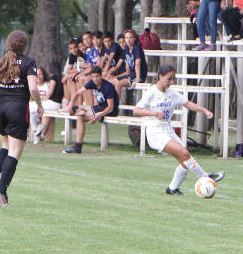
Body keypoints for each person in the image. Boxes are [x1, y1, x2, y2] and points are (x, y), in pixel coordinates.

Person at [132, 64, 225, 195]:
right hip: (155, 132)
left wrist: (204, 110)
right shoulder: (151, 92)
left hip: (167, 130)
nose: (171, 82)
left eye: (173, 79)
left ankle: (172, 188)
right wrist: (154, 113)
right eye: (169, 79)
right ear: (160, 76)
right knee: (185, 154)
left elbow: (187, 103)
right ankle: (206, 177)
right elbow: (136, 111)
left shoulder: (172, 93)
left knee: (185, 161)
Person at [0, 30, 42, 207]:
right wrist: (40, 105)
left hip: (1, 108)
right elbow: (34, 89)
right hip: (17, 109)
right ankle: (2, 190)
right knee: (15, 152)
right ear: (24, 45)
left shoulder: (1, 61)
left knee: (5, 146)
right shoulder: (29, 63)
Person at [62, 65, 119, 154]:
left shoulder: (108, 87)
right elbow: (77, 93)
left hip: (109, 111)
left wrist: (97, 116)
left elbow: (110, 107)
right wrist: (70, 104)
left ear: (101, 76)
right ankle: (77, 146)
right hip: (100, 107)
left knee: (80, 115)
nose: (95, 79)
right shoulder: (92, 83)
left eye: (97, 76)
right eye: (93, 77)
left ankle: (78, 147)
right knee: (76, 108)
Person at [33, 64, 63, 143]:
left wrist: (42, 102)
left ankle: (36, 129)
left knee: (35, 107)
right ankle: (41, 135)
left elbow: (49, 92)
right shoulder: (62, 78)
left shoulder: (53, 78)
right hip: (58, 104)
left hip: (52, 103)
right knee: (46, 115)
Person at [115, 29, 147, 93]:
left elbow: (137, 64)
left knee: (118, 84)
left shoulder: (137, 48)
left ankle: (116, 103)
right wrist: (120, 76)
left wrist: (137, 79)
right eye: (126, 38)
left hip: (138, 75)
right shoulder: (127, 48)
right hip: (131, 74)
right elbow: (127, 67)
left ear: (134, 38)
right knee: (112, 81)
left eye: (130, 37)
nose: (128, 40)